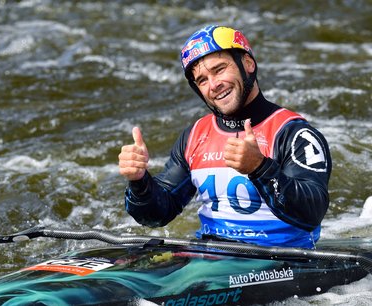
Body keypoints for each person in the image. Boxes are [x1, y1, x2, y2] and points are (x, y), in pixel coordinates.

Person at [118, 25, 332, 248]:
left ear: (248, 64)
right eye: (202, 80)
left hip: (280, 260)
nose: (213, 85)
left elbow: (312, 212)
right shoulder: (195, 136)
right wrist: (140, 182)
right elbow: (158, 215)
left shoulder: (294, 133)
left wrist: (260, 168)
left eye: (219, 69)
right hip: (212, 256)